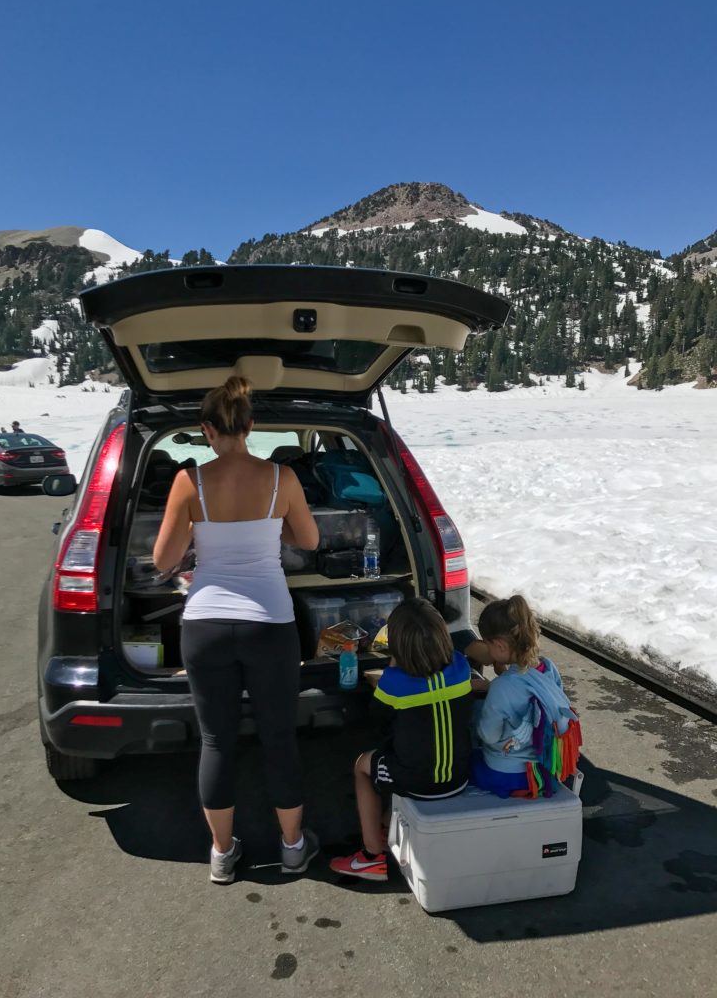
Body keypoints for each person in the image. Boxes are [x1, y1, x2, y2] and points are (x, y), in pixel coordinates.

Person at [153, 376, 320, 884]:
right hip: (269, 623)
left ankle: (222, 853)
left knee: (216, 740)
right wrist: (274, 527)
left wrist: (195, 538)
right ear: (251, 426)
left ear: (206, 430)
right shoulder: (280, 479)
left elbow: (163, 560)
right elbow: (308, 540)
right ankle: (293, 846)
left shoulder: (190, 482)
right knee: (278, 738)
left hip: (204, 623)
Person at [329, 597, 475, 882]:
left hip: (420, 782)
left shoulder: (394, 682)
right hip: (460, 775)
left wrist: (392, 666)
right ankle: (386, 823)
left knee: (363, 765)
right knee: (403, 754)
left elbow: (378, 720)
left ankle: (371, 856)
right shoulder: (460, 666)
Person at [470, 595, 581, 798]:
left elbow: (489, 735)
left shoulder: (501, 688)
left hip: (507, 775)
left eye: (487, 644)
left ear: (500, 646)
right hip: (546, 772)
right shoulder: (548, 668)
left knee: (469, 754)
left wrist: (489, 690)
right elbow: (535, 698)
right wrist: (501, 678)